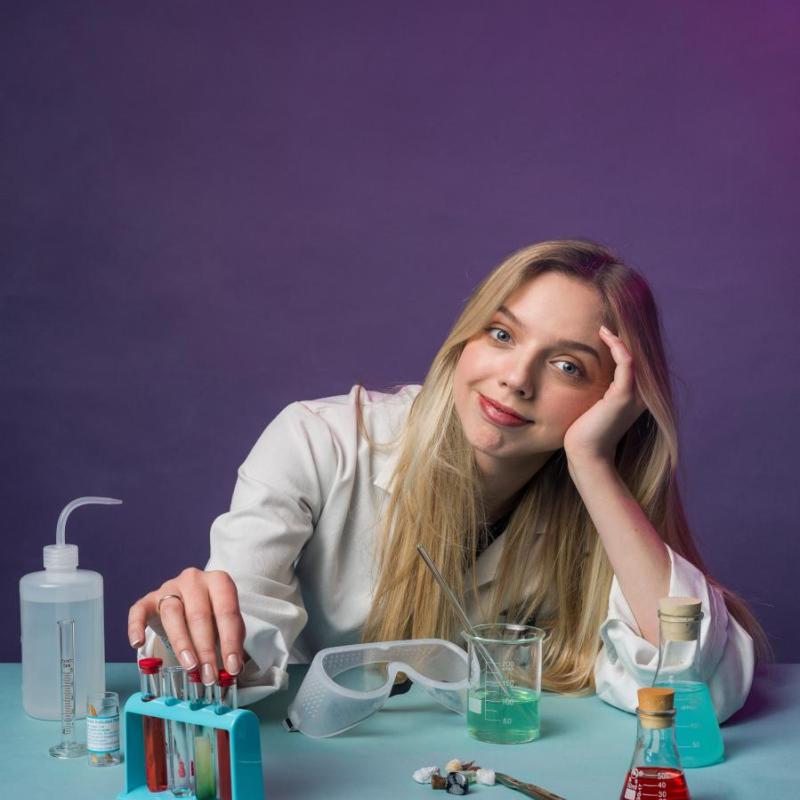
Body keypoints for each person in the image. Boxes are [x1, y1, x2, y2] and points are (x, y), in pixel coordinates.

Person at [128, 240, 766, 718]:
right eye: (501, 334)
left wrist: (596, 467)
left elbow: (694, 689)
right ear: (466, 339)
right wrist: (199, 632)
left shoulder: (594, 505)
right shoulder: (316, 443)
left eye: (569, 366)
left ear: (617, 400)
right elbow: (240, 660)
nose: (517, 379)